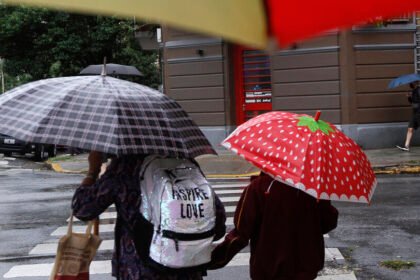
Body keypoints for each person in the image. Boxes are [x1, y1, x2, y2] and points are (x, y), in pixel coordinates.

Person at [72, 151, 226, 280]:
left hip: (139, 269)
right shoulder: (185, 161)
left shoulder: (125, 166)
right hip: (187, 268)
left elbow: (83, 209)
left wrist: (93, 170)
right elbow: (217, 222)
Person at [209, 172, 338, 280]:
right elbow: (328, 223)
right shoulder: (313, 188)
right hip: (304, 269)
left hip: (268, 270)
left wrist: (213, 259)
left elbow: (241, 233)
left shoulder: (258, 187)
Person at [397, 81, 420, 151]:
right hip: (414, 113)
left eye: (411, 83)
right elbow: (412, 103)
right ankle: (406, 146)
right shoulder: (414, 91)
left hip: (419, 112)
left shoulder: (419, 90)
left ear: (414, 83)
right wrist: (409, 97)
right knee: (410, 129)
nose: (409, 84)